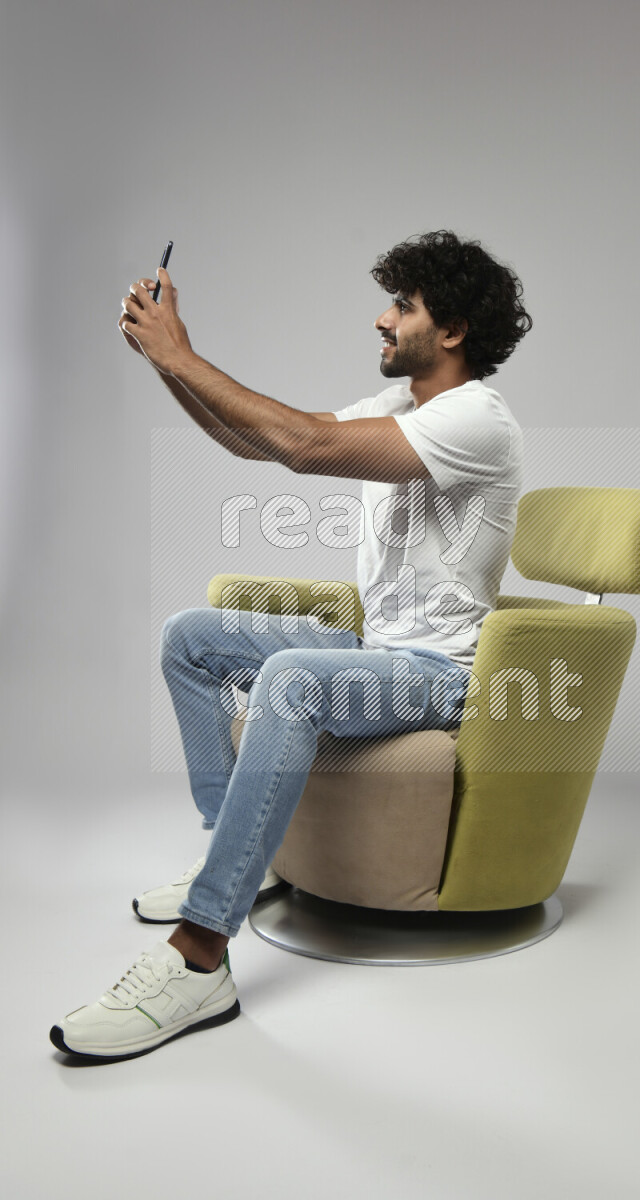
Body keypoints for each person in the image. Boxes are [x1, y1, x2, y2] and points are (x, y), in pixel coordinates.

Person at [50, 230, 532, 1061]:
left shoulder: (478, 420)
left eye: (403, 306)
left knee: (288, 679)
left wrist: (182, 353)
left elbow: (306, 446)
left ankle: (200, 956)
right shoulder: (398, 409)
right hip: (376, 646)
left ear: (453, 330)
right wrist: (168, 363)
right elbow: (257, 440)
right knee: (190, 639)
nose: (382, 319)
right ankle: (231, 849)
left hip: (437, 673)